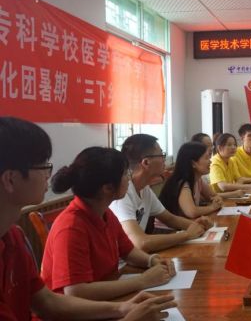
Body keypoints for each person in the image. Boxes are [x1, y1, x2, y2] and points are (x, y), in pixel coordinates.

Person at [0, 116, 176, 320]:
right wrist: (138, 289)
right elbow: (73, 292)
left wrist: (122, 309)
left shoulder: (13, 236)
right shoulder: (70, 227)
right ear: (10, 179)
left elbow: (47, 302)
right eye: (42, 166)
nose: (48, 174)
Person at [41, 147, 176, 300]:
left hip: (105, 297)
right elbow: (76, 291)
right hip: (77, 309)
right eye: (125, 174)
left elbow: (128, 251)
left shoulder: (105, 213)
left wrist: (152, 260)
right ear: (108, 188)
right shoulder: (71, 227)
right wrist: (142, 281)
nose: (129, 179)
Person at [109, 134, 211, 253]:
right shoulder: (123, 193)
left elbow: (170, 219)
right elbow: (140, 243)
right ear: (146, 162)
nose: (164, 159)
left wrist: (196, 226)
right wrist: (186, 235)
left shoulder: (144, 189)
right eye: (161, 155)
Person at [159, 142, 224, 218]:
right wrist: (212, 207)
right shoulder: (182, 183)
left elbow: (213, 196)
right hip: (169, 225)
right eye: (206, 158)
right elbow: (192, 212)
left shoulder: (198, 180)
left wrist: (217, 199)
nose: (210, 161)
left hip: (185, 223)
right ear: (193, 163)